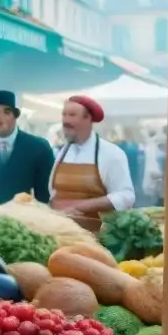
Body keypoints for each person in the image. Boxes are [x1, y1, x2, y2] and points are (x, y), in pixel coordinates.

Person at [50, 95, 135, 232]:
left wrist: (80, 206)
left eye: (72, 115)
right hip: (60, 232)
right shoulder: (63, 152)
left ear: (88, 119)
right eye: (64, 115)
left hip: (97, 236)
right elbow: (53, 193)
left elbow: (126, 196)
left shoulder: (111, 153)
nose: (66, 120)